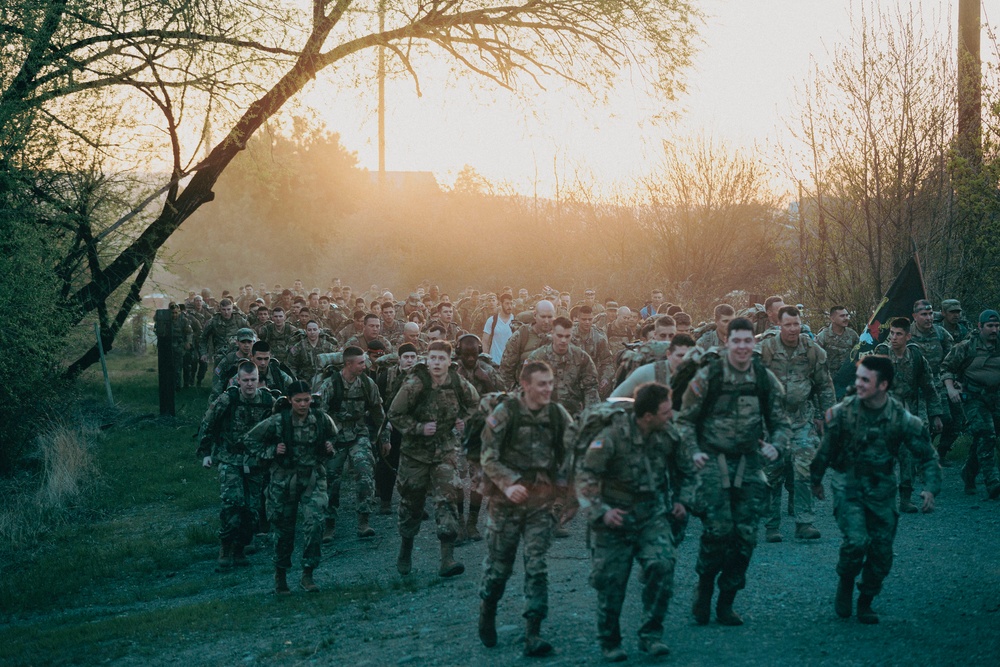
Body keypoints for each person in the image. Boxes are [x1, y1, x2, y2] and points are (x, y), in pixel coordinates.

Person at [675, 317, 790, 626]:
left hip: (749, 461)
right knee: (718, 531)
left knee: (746, 537)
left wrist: (776, 445)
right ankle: (704, 589)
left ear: (754, 344)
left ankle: (727, 600)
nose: (741, 347)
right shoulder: (709, 376)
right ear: (727, 343)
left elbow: (780, 421)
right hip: (712, 461)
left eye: (746, 341)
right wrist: (693, 451)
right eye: (736, 341)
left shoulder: (764, 379)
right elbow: (684, 421)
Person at [810, 355, 940, 624]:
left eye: (865, 380)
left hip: (882, 490)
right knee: (856, 542)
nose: (857, 384)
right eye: (857, 378)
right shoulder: (844, 412)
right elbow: (825, 450)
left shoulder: (901, 418)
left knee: (881, 552)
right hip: (849, 485)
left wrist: (930, 488)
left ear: (883, 385)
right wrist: (816, 479)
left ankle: (866, 599)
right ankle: (846, 581)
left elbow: (927, 456)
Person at [576, 383, 698, 661]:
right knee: (611, 581)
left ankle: (651, 635)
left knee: (662, 564)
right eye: (665, 412)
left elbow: (686, 472)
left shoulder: (669, 434)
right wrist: (601, 511)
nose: (671, 415)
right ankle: (610, 641)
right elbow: (585, 478)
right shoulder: (611, 437)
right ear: (647, 416)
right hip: (614, 519)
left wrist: (682, 501)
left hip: (652, 515)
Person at [477, 360, 573, 657]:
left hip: (540, 504)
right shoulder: (505, 413)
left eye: (550, 383)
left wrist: (569, 498)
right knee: (499, 569)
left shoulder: (557, 414)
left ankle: (533, 632)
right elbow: (488, 456)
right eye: (541, 384)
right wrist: (507, 484)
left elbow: (570, 456)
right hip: (505, 504)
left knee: (537, 566)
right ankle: (488, 609)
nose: (548, 389)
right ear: (526, 385)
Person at [388, 341, 480, 577]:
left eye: (441, 359)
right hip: (415, 454)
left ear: (450, 362)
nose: (437, 363)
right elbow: (394, 413)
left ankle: (447, 558)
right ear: (427, 360)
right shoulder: (415, 383)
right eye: (433, 358)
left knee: (447, 498)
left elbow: (474, 402)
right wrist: (418, 428)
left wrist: (462, 419)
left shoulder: (457, 382)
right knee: (411, 502)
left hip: (445, 450)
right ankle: (406, 548)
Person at [243, 380, 337, 594]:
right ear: (289, 400)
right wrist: (272, 451)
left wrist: (330, 448)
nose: (303, 404)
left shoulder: (321, 419)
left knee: (315, 523)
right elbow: (249, 441)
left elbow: (334, 437)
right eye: (298, 401)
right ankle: (281, 574)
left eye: (307, 400)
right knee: (283, 530)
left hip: (313, 478)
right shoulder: (277, 422)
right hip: (283, 480)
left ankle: (308, 574)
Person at [757, 305, 835, 542]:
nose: (792, 329)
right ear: (779, 325)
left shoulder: (812, 350)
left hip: (802, 420)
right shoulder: (766, 349)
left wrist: (826, 417)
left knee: (804, 468)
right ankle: (772, 526)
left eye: (796, 324)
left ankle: (804, 523)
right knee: (772, 473)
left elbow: (824, 386)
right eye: (788, 324)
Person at [196, 362, 277, 570]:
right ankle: (225, 546)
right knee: (233, 503)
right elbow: (208, 423)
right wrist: (206, 453)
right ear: (238, 381)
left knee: (252, 510)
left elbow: (281, 424)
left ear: (258, 381)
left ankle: (240, 548)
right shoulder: (228, 399)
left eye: (253, 380)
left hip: (255, 461)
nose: (250, 385)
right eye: (246, 380)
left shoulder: (268, 401)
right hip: (229, 458)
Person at [316, 346, 386, 541]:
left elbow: (378, 411)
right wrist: (324, 442)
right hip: (335, 438)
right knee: (331, 480)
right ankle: (329, 524)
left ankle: (364, 521)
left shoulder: (367, 383)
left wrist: (384, 438)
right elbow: (318, 415)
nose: (365, 366)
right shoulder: (330, 385)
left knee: (365, 473)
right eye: (361, 363)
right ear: (349, 364)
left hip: (358, 434)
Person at [873, 318, 944, 511]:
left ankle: (905, 498)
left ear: (908, 336)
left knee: (907, 456)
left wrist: (936, 414)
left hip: (907, 411)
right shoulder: (881, 355)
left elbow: (929, 387)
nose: (894, 338)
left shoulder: (916, 357)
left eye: (898, 334)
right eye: (892, 334)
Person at [941, 309, 1000, 499]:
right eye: (990, 326)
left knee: (984, 438)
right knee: (986, 433)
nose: (994, 330)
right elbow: (946, 368)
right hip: (973, 396)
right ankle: (993, 482)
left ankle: (968, 472)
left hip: (996, 396)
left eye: (997, 326)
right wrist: (950, 388)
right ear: (980, 326)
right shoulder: (966, 347)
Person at [909, 299, 957, 462]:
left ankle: (940, 454)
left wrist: (951, 380)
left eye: (930, 314)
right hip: (915, 387)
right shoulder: (906, 334)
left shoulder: (941, 333)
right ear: (915, 316)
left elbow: (952, 359)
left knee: (948, 421)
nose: (928, 318)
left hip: (938, 383)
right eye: (924, 314)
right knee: (922, 424)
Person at [527, 317, 600, 417]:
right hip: (544, 415)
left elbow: (591, 389)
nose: (563, 340)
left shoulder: (582, 357)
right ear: (552, 333)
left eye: (567, 336)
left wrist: (591, 417)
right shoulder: (537, 358)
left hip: (574, 415)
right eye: (559, 336)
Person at [610, 334, 694, 399]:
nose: (684, 360)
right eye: (680, 356)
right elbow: (615, 398)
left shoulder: (698, 374)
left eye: (689, 356)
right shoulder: (647, 372)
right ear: (668, 354)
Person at [498, 299, 556, 389]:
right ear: (535, 315)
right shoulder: (522, 335)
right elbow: (506, 369)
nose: (546, 321)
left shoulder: (560, 336)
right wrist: (513, 392)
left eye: (550, 317)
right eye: (543, 317)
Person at [815, 305, 860, 399]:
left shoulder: (852, 335)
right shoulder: (823, 336)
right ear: (832, 318)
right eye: (842, 316)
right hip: (830, 382)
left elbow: (859, 355)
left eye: (847, 315)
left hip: (849, 381)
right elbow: (815, 358)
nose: (846, 318)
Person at [571, 305, 614, 397]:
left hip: (592, 381)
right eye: (584, 319)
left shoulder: (599, 337)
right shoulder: (569, 335)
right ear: (578, 318)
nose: (587, 322)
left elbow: (607, 362)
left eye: (590, 319)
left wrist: (605, 379)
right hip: (571, 379)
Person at [200, 298, 249, 366]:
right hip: (219, 355)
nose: (226, 312)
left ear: (232, 309)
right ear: (220, 309)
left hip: (236, 355)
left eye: (228, 309)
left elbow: (251, 334)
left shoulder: (239, 320)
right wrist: (204, 353)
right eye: (224, 309)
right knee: (218, 375)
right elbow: (203, 338)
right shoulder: (214, 321)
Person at [483, 293, 517, 365]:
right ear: (501, 304)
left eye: (511, 303)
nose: (509, 306)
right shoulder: (492, 321)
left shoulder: (516, 320)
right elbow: (485, 342)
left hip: (511, 364)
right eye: (507, 304)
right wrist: (485, 360)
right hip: (495, 363)